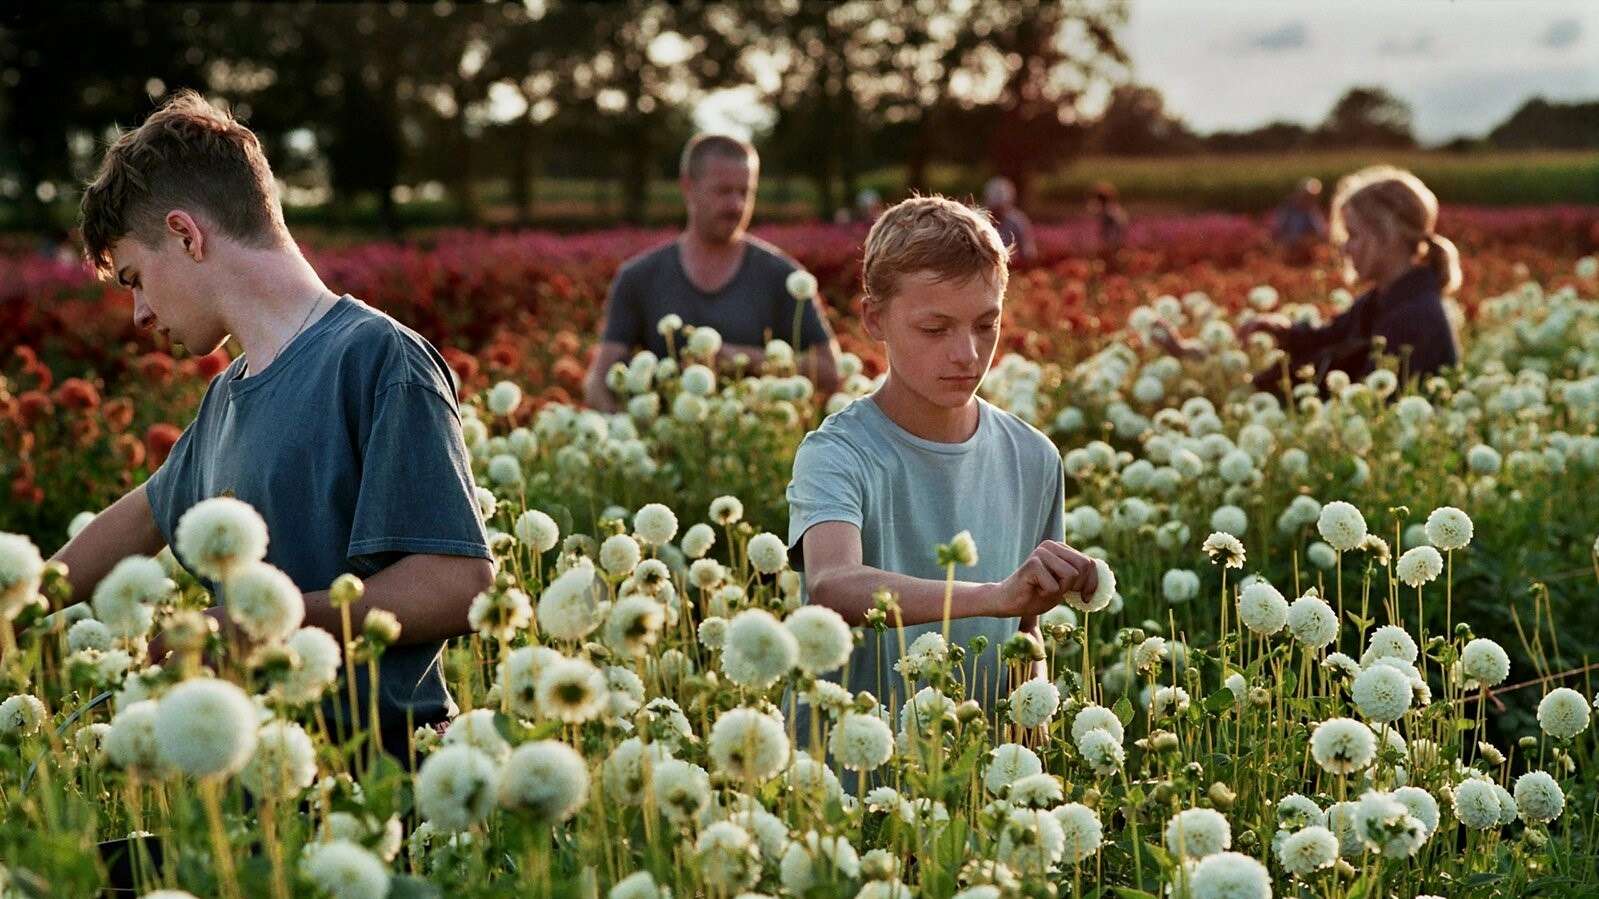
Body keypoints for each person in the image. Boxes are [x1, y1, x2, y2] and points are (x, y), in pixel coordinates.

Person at [52, 91, 493, 756]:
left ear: (185, 234)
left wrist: (257, 624)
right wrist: (14, 601)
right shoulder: (227, 397)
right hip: (264, 781)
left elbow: (457, 584)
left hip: (387, 775)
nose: (139, 313)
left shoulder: (376, 357)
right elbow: (141, 516)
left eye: (135, 278)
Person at [786, 195, 1098, 724]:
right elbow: (832, 584)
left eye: (985, 325)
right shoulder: (837, 452)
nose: (967, 355)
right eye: (935, 329)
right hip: (849, 781)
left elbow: (1026, 636)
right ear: (874, 319)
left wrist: (1032, 750)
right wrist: (993, 595)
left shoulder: (1034, 456)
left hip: (975, 785)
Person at [583, 134, 842, 411]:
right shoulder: (639, 277)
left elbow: (829, 369)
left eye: (746, 192)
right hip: (667, 445)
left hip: (755, 443)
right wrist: (627, 433)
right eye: (723, 191)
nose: (736, 206)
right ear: (688, 187)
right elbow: (598, 382)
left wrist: (741, 359)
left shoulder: (783, 276)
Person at [1156, 165, 1461, 392]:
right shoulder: (1381, 302)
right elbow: (1325, 339)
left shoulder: (1414, 319)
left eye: (1353, 235)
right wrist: (1280, 331)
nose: (1343, 246)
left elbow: (1370, 407)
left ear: (1388, 236)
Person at [1270, 177, 1329, 265]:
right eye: (1307, 196)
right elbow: (1277, 231)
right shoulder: (1287, 209)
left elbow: (1320, 234)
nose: (1310, 199)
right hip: (1287, 252)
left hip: (1306, 255)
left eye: (1313, 197)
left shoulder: (1313, 212)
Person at [983, 176, 1038, 264]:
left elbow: (1028, 254)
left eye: (1001, 208)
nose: (997, 212)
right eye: (995, 209)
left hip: (1013, 267)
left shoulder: (1018, 221)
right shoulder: (982, 221)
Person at [1088, 181, 1127, 256]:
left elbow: (1118, 226)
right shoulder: (1114, 208)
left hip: (1111, 241)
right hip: (1114, 240)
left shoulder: (1109, 210)